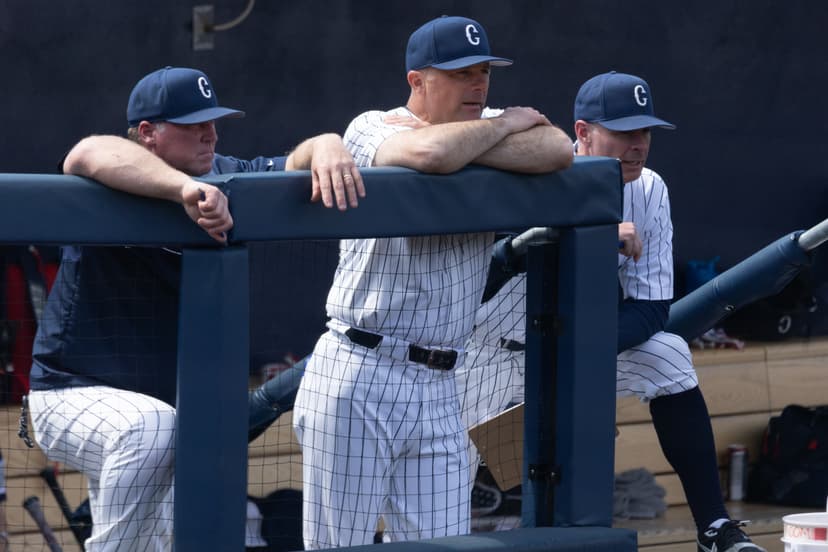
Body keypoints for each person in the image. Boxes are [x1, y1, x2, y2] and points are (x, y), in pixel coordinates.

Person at [25, 65, 364, 552]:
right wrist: (183, 191)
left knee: (168, 528)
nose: (210, 133)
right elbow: (86, 152)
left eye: (213, 120)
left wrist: (328, 141)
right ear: (148, 133)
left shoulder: (226, 171)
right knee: (149, 431)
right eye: (192, 124)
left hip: (160, 412)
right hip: (72, 392)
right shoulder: (116, 173)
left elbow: (294, 160)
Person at [291, 15, 573, 549]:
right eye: (462, 73)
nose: (479, 84)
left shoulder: (489, 120)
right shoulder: (372, 125)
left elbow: (558, 149)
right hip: (360, 370)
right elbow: (428, 154)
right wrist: (498, 132)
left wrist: (490, 132)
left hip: (445, 380)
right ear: (417, 81)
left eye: (484, 71)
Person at [455, 71, 766, 552]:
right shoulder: (535, 175)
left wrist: (583, 356)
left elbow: (650, 309)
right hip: (487, 358)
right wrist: (597, 235)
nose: (638, 145)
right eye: (624, 131)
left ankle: (713, 528)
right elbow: (490, 274)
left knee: (668, 353)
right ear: (582, 132)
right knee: (444, 507)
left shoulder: (649, 190)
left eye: (645, 132)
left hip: (575, 352)